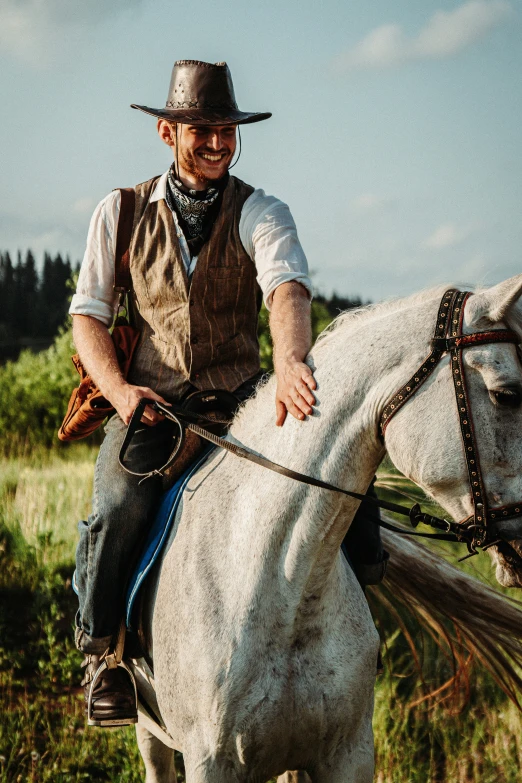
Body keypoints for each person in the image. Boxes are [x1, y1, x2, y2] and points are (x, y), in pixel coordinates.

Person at [69, 60, 318, 727]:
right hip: (152, 406)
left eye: (227, 131)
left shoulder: (262, 211)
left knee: (336, 487)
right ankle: (105, 656)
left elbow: (286, 289)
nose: (217, 143)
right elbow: (88, 317)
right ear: (166, 131)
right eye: (201, 130)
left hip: (241, 403)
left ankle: (348, 635)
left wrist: (292, 359)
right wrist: (119, 391)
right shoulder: (119, 210)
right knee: (120, 506)